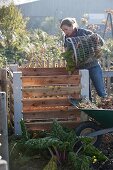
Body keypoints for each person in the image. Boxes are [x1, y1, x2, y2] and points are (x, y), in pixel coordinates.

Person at [60, 17, 107, 99]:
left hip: (93, 65)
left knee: (101, 91)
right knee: (86, 94)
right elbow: (67, 52)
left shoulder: (84, 32)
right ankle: (89, 110)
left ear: (72, 26)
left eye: (66, 29)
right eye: (63, 30)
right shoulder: (66, 38)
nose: (65, 32)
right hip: (80, 68)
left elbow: (101, 42)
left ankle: (107, 107)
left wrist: (97, 38)